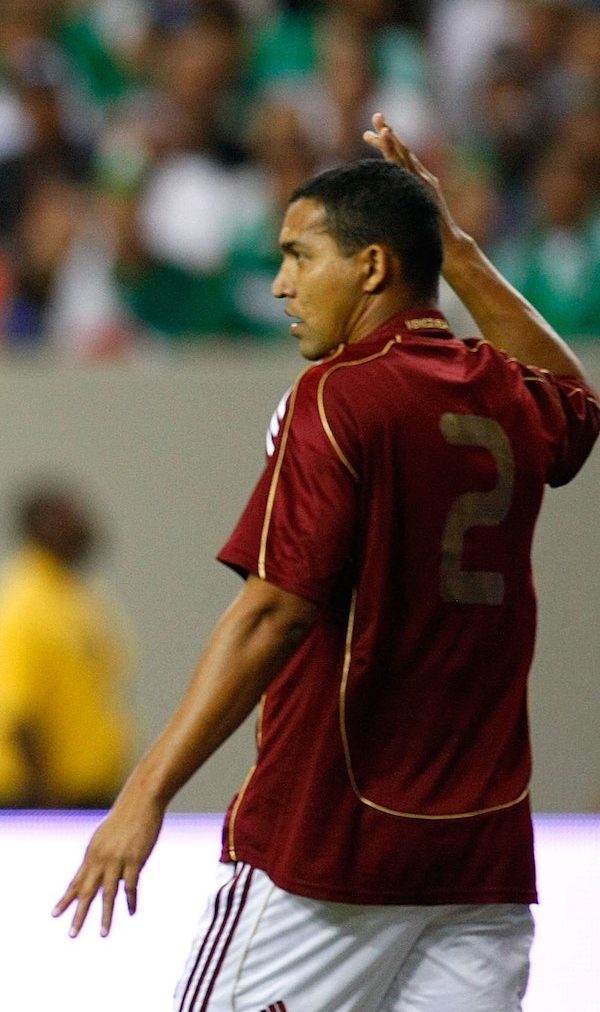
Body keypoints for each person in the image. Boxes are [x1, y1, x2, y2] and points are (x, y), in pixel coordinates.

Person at [55, 114, 597, 1011]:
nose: (279, 284)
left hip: (331, 850)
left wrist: (144, 795)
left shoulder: (337, 395)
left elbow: (274, 612)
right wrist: (456, 250)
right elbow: (577, 401)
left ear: (374, 266)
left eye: (300, 255)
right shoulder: (501, 388)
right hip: (480, 862)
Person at [0, 483, 132, 810]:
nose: (85, 525)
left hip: (85, 795)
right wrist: (47, 809)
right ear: (39, 528)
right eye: (69, 517)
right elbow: (18, 715)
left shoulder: (74, 595)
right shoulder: (21, 602)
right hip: (33, 802)